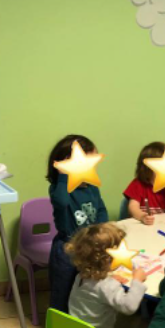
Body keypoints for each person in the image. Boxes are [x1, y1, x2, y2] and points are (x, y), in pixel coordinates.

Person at [66, 223, 146, 328]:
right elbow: (129, 307)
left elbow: (96, 289)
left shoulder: (81, 276)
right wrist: (137, 281)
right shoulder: (107, 286)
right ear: (109, 258)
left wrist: (111, 280)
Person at [47, 134, 109, 313]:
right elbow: (61, 203)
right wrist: (64, 177)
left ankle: (80, 321)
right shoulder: (59, 188)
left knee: (85, 289)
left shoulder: (92, 187)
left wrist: (102, 232)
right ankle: (58, 325)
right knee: (62, 290)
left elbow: (101, 210)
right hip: (68, 248)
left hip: (90, 246)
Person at [123, 141, 165, 225]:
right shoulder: (137, 184)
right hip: (144, 229)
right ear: (147, 168)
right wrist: (142, 217)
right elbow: (133, 207)